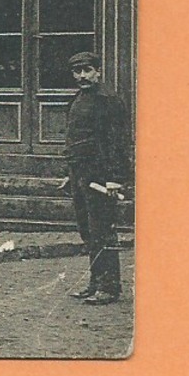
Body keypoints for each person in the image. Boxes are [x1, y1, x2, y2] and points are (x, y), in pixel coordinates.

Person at [62, 51, 131, 305]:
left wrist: (115, 178)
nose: (82, 76)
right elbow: (75, 140)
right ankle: (95, 282)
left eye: (87, 71)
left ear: (98, 72)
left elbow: (118, 142)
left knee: (103, 230)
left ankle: (110, 287)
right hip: (81, 173)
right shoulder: (78, 99)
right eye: (77, 72)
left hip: (100, 176)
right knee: (88, 231)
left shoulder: (108, 100)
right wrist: (70, 175)